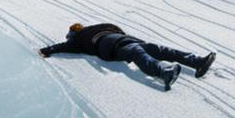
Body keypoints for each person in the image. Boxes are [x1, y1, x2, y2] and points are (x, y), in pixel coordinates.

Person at [38, 23, 216, 91]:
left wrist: (46, 50)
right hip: (117, 45)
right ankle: (164, 72)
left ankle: (197, 62)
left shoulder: (82, 36)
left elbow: (63, 45)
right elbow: (62, 47)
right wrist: (47, 50)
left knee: (157, 49)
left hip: (122, 42)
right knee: (142, 51)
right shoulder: (83, 37)